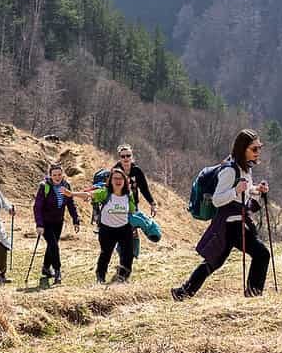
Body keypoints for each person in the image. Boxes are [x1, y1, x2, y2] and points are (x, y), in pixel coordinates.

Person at [172, 129, 271, 301]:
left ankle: (183, 292)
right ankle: (253, 294)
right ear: (243, 149)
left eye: (259, 148)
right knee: (262, 254)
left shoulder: (245, 168)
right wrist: (236, 190)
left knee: (214, 262)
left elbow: (245, 191)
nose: (258, 152)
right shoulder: (230, 171)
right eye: (254, 149)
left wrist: (257, 190)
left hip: (234, 224)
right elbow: (218, 200)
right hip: (231, 225)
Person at [72, 168, 136, 283]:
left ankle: (122, 277)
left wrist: (135, 226)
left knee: (128, 254)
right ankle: (100, 277)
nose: (118, 181)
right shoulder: (105, 192)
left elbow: (132, 211)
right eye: (115, 178)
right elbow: (89, 194)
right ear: (110, 180)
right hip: (107, 229)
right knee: (106, 254)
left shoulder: (128, 194)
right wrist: (72, 194)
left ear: (125, 181)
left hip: (124, 228)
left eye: (121, 178)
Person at [32, 163, 80, 284]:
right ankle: (57, 271)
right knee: (53, 245)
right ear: (50, 175)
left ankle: (46, 268)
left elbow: (70, 204)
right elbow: (37, 207)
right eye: (54, 175)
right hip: (45, 222)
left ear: (62, 175)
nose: (57, 177)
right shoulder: (44, 186)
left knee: (51, 245)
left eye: (59, 174)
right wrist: (39, 224)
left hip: (58, 222)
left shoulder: (66, 185)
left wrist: (75, 219)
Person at [114, 144, 158, 216]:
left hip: (133, 204)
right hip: (118, 205)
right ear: (120, 158)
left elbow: (144, 189)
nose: (126, 158)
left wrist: (152, 204)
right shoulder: (115, 171)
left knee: (133, 226)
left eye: (128, 155)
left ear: (132, 157)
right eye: (123, 156)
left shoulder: (137, 171)